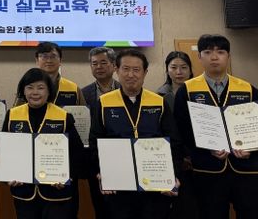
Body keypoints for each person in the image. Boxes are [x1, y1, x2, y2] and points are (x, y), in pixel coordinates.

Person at [89, 49, 181, 219]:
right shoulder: (104, 102)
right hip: (118, 184)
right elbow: (95, 141)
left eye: (136, 70)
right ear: (117, 70)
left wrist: (172, 174)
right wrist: (102, 172)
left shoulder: (159, 102)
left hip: (154, 184)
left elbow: (173, 142)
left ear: (145, 73)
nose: (130, 74)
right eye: (125, 69)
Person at [174, 34, 258, 219]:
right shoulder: (187, 90)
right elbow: (182, 130)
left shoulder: (247, 89)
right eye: (207, 52)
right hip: (207, 170)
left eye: (220, 52)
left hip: (246, 170)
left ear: (228, 56)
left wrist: (251, 149)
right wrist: (205, 149)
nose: (214, 57)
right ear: (199, 57)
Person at [3, 68, 84, 218]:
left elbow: (77, 153)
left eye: (40, 88)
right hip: (24, 192)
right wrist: (8, 176)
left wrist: (67, 176)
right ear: (23, 91)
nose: (35, 92)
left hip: (56, 193)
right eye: (30, 87)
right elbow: (5, 152)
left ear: (49, 91)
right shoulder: (12, 115)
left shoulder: (63, 116)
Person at [155, 51, 196, 219]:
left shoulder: (199, 92)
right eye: (173, 67)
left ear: (190, 70)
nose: (179, 72)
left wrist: (191, 155)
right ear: (167, 70)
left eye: (184, 67)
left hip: (198, 156)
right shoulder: (158, 96)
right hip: (171, 158)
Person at [81, 46, 120, 219]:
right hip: (94, 158)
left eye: (103, 62)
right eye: (94, 63)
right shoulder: (83, 94)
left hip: (121, 156)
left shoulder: (124, 89)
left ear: (113, 65)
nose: (99, 67)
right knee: (100, 207)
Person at [35, 42, 86, 106]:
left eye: (53, 56)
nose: (49, 60)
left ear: (60, 60)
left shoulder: (73, 88)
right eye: (44, 56)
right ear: (37, 60)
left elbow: (83, 111)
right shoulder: (28, 87)